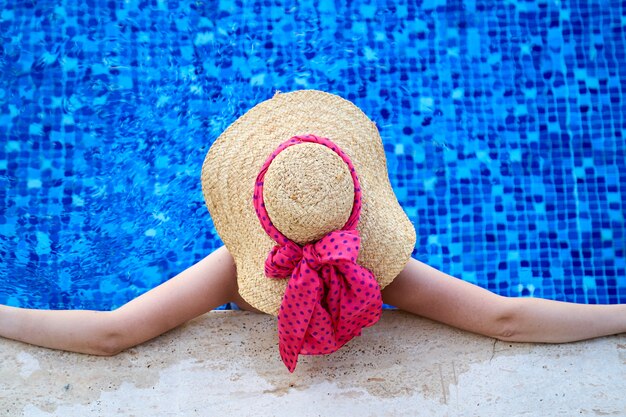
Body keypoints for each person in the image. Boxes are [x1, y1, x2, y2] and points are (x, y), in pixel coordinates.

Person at [1, 91, 625, 371]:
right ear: (361, 203)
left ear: (256, 216)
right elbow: (503, 320)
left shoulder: (232, 268)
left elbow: (114, 331)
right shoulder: (384, 273)